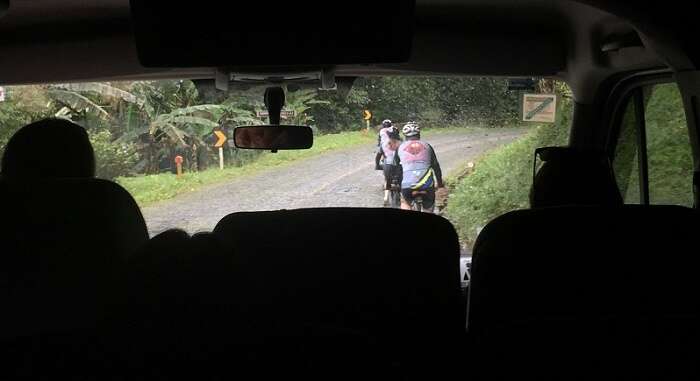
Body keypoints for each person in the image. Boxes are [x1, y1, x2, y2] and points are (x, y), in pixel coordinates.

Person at [393, 122, 444, 213]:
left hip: (407, 185)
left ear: (405, 136)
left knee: (405, 202)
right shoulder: (427, 146)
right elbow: (436, 166)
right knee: (428, 207)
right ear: (419, 134)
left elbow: (396, 169)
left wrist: (397, 183)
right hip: (427, 185)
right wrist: (440, 184)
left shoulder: (400, 148)